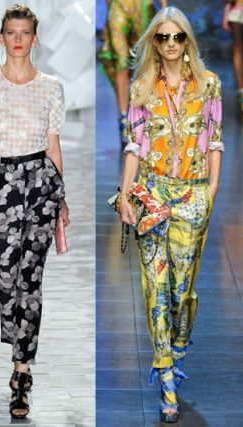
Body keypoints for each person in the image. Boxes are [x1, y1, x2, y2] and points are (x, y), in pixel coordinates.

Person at [118, 6, 223, 423]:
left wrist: (211, 190)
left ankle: (178, 344)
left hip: (192, 195)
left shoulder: (209, 84)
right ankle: (166, 379)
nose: (171, 44)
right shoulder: (142, 87)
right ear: (154, 43)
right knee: (155, 290)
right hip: (152, 193)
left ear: (187, 41)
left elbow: (214, 139)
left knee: (181, 291)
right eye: (162, 37)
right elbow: (133, 146)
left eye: (178, 37)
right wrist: (125, 195)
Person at [0, 4, 69, 420]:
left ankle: (21, 371)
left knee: (31, 277)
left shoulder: (52, 87)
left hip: (41, 182)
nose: (19, 39)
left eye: (25, 32)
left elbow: (53, 145)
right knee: (6, 278)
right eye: (12, 32)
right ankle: (17, 339)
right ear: (1, 37)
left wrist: (62, 197)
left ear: (35, 38)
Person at [98, 0, 167, 145]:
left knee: (144, 61)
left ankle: (143, 115)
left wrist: (164, 8)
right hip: (118, 6)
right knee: (121, 62)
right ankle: (124, 120)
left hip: (143, 7)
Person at [222, 0, 243, 118]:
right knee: (238, 50)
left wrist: (226, 12)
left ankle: (241, 93)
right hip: (236, 11)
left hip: (236, 10)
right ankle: (241, 93)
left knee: (238, 50)